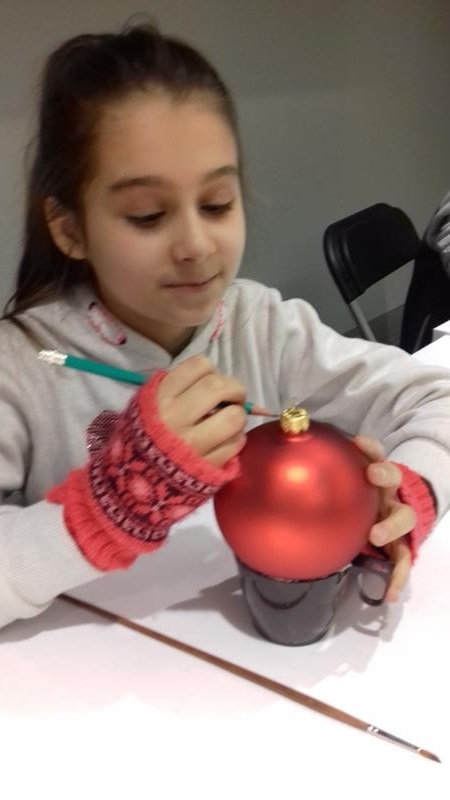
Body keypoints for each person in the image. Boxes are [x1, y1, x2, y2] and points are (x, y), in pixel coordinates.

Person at [0, 24, 448, 631]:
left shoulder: (258, 325)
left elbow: (436, 397)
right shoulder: (22, 367)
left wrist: (410, 491)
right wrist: (107, 507)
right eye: (147, 215)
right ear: (70, 228)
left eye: (217, 204)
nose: (196, 245)